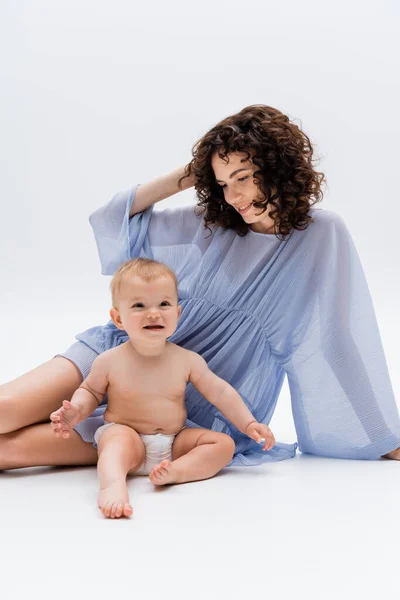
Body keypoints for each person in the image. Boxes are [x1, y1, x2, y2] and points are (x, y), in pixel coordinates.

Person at [1, 104, 400, 473]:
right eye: (223, 183)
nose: (234, 197)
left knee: (8, 452)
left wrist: (381, 437)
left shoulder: (322, 235)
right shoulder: (212, 224)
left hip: (184, 406)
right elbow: (113, 220)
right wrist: (193, 172)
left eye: (243, 178)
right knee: (5, 410)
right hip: (119, 353)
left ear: (278, 167)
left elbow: (337, 339)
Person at [50, 257, 275, 518]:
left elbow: (220, 392)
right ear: (118, 318)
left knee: (223, 444)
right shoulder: (110, 360)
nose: (153, 312)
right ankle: (112, 486)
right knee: (115, 444)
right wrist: (76, 411)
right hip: (128, 436)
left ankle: (178, 471)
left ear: (177, 314)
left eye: (164, 304)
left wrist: (248, 424)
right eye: (139, 305)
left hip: (174, 442)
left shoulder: (187, 360)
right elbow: (90, 391)